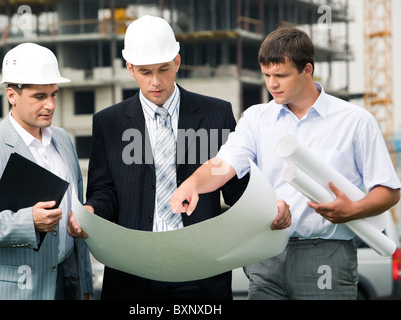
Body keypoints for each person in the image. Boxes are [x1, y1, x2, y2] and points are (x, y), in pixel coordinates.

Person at [68, 15, 289, 300]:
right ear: (130, 69)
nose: (156, 81)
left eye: (163, 69)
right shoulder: (108, 123)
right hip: (133, 273)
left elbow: (236, 188)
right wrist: (91, 213)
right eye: (145, 72)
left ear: (177, 62)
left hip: (200, 273)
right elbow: (104, 192)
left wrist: (270, 207)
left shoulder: (215, 114)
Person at [170, 27, 401, 300]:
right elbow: (224, 163)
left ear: (307, 70)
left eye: (281, 75)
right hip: (266, 253)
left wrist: (352, 209)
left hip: (326, 254)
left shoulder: (355, 121)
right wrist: (193, 184)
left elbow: (389, 191)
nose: (272, 84)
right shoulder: (256, 119)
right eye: (266, 75)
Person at [0, 43, 93, 300]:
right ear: (11, 95)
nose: (50, 104)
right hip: (14, 291)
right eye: (39, 96)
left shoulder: (63, 140)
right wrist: (28, 223)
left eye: (54, 94)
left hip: (67, 283)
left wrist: (84, 286)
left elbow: (77, 212)